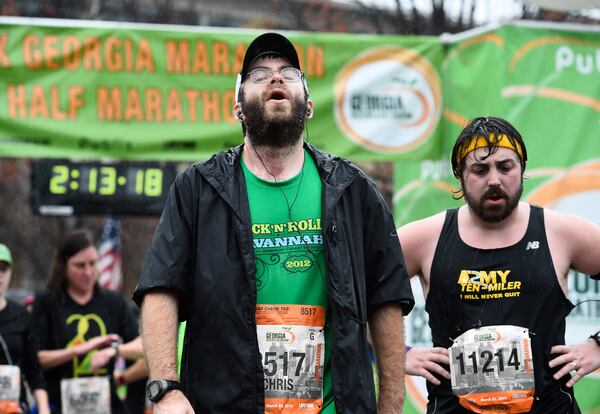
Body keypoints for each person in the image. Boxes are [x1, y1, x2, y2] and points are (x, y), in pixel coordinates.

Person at [133, 32, 414, 414]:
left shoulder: (353, 189)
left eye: (288, 73)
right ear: (238, 108)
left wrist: (391, 404)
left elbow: (387, 298)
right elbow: (159, 289)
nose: (276, 78)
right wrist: (165, 387)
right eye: (260, 74)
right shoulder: (198, 189)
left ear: (309, 105)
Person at [398, 116, 600, 413]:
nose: (494, 180)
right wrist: (396, 354)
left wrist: (598, 345)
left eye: (505, 167)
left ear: (522, 170)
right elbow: (352, 296)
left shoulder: (562, 233)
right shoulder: (424, 238)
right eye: (480, 169)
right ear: (461, 176)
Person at [31, 230, 140, 414]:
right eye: (80, 265)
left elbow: (143, 346)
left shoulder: (113, 302)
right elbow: (35, 359)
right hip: (59, 404)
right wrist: (80, 349)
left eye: (93, 264)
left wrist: (113, 352)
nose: (88, 272)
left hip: (107, 406)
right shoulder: (47, 302)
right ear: (64, 265)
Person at [0, 243, 50, 414]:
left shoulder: (21, 316)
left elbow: (34, 371)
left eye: (3, 269)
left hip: (14, 408)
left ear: (10, 273)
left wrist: (43, 409)